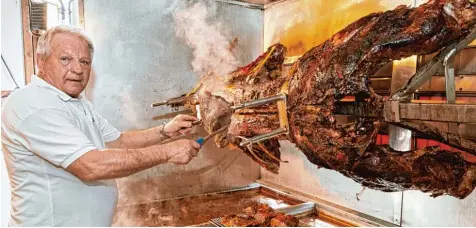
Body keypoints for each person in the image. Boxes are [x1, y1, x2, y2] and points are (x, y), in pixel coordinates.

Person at [1, 25, 201, 226]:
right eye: (65, 59)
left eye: (84, 62)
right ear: (41, 61)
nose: (78, 69)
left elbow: (118, 141)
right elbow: (90, 165)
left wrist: (165, 131)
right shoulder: (33, 104)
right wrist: (167, 153)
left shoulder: (75, 102)